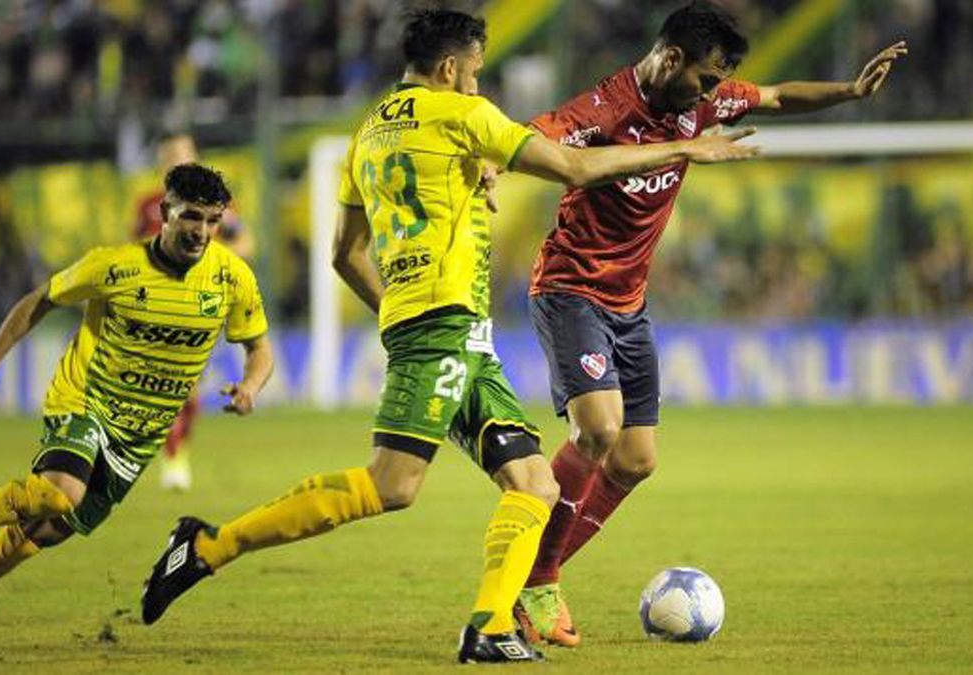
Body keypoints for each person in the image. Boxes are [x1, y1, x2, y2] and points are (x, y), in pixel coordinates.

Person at [138, 8, 758, 664]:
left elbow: (345, 254)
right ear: (449, 68)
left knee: (534, 483)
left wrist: (393, 310)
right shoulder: (465, 115)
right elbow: (576, 170)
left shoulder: (367, 135)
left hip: (451, 330)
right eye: (475, 73)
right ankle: (208, 545)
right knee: (392, 485)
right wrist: (688, 148)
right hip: (444, 329)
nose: (476, 84)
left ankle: (491, 623)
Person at [513, 0, 906, 647]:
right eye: (704, 79)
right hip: (569, 289)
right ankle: (537, 582)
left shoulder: (704, 106)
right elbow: (534, 141)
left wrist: (849, 91)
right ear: (670, 58)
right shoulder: (606, 109)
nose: (712, 94)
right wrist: (495, 166)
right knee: (599, 428)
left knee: (636, 460)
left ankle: (529, 575)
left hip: (629, 305)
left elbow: (777, 96)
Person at [0, 164, 273, 629]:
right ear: (166, 210)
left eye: (214, 221)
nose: (203, 231)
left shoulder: (231, 277)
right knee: (60, 493)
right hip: (86, 401)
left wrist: (250, 386)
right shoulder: (113, 265)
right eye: (193, 217)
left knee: (24, 545)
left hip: (138, 439)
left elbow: (260, 348)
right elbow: (40, 299)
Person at [133, 133, 258, 491]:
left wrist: (212, 252)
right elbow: (133, 248)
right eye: (170, 156)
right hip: (155, 304)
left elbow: (246, 243)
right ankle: (166, 454)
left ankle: (174, 454)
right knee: (163, 385)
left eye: (183, 155)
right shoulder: (148, 205)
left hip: (201, 304)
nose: (177, 161)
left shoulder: (216, 205)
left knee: (188, 388)